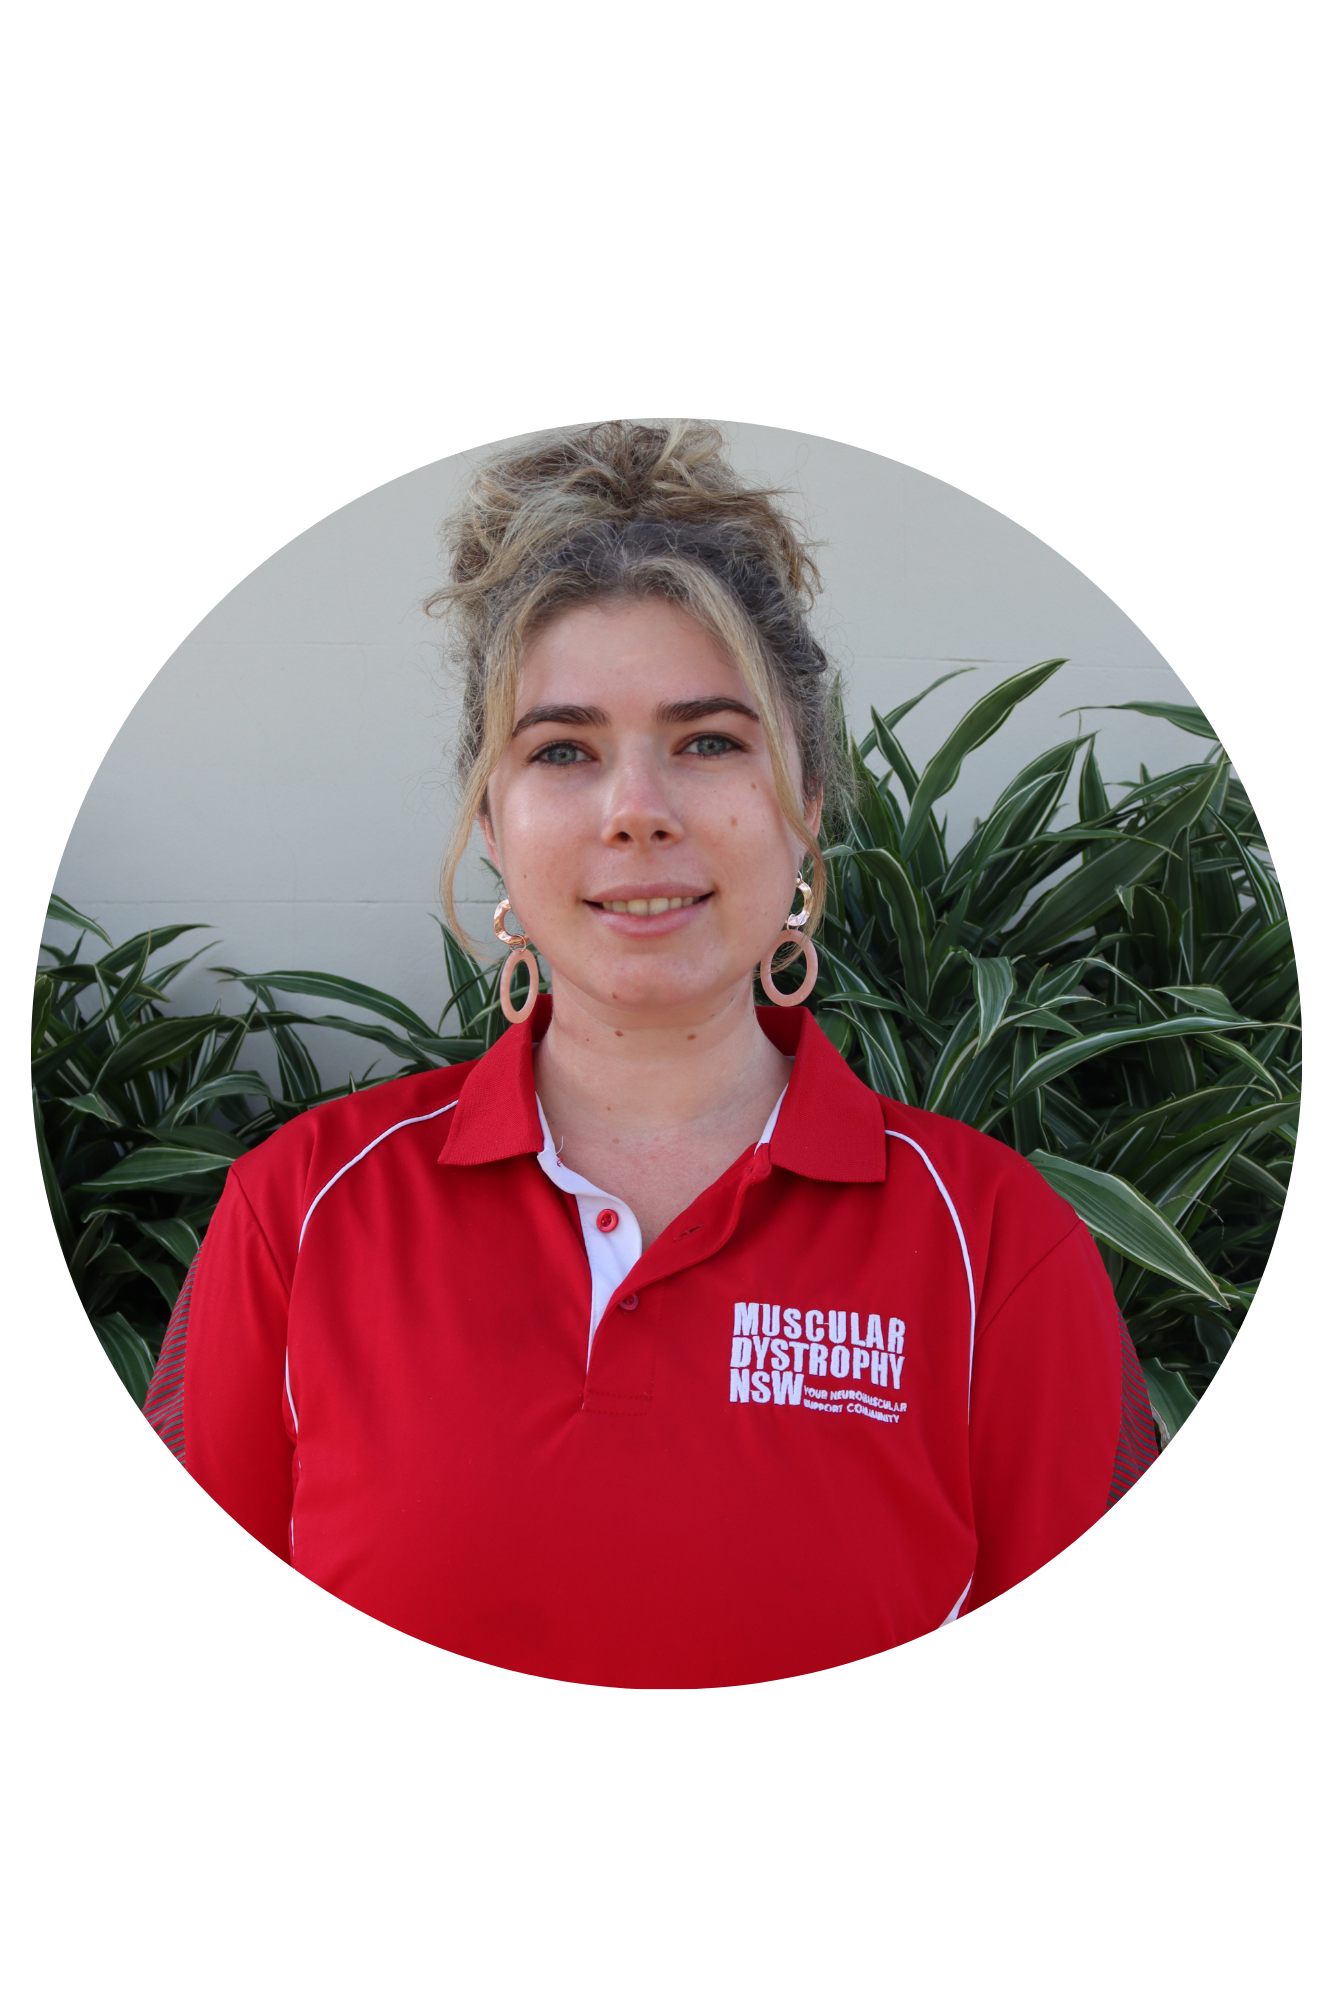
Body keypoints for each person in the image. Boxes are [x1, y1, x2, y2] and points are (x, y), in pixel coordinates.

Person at [145, 421, 1156, 1687]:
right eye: (563, 749)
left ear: (806, 807)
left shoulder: (996, 1243)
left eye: (709, 739)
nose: (637, 810)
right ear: (492, 820)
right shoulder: (300, 1213)